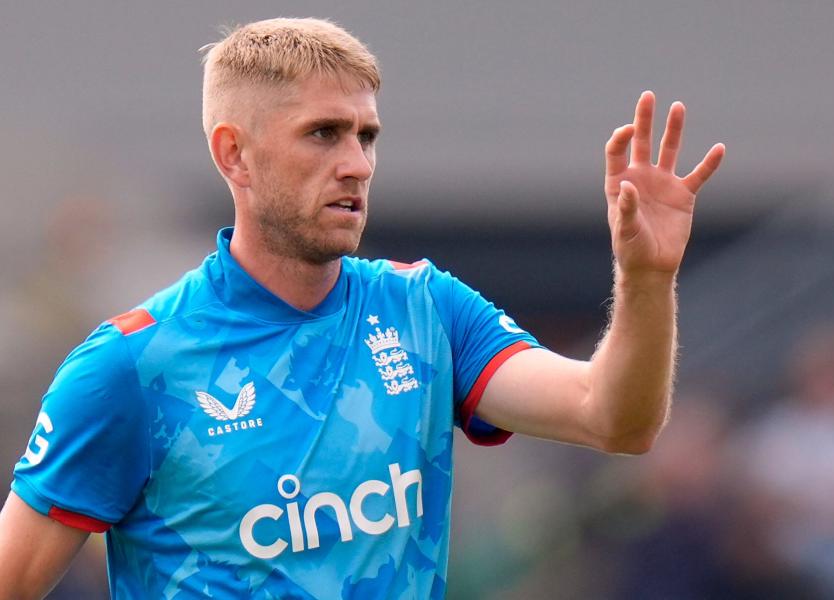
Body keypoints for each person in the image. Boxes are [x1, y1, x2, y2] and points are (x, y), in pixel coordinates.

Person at [0, 17, 724, 599]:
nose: (357, 163)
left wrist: (648, 278)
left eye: (365, 135)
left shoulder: (424, 310)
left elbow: (615, 419)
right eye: (323, 134)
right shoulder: (131, 367)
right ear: (234, 155)